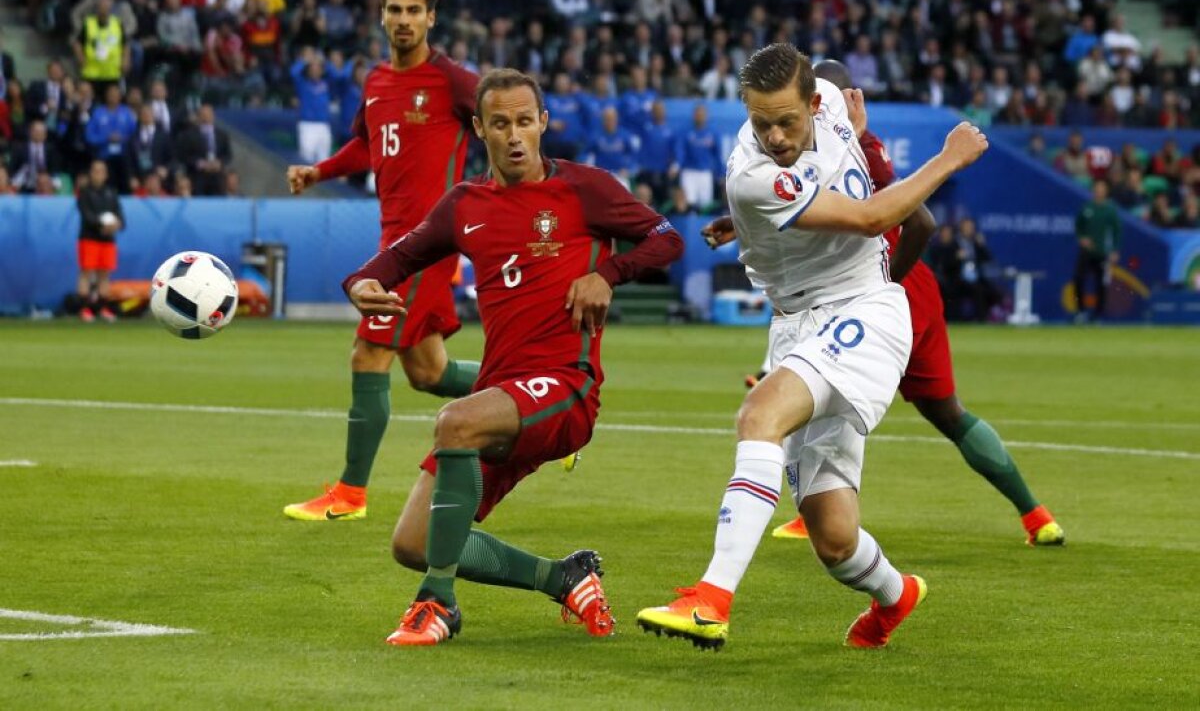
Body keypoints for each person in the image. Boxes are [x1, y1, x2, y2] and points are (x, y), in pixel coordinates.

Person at [636, 44, 988, 651]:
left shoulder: (831, 106)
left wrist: (928, 156)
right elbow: (867, 215)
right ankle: (896, 595)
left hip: (864, 312)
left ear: (812, 100)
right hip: (798, 326)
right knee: (833, 537)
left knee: (758, 416)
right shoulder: (751, 176)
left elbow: (883, 218)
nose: (774, 134)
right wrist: (949, 158)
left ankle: (711, 599)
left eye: (786, 120)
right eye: (760, 121)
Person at [343, 67, 684, 646]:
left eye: (526, 121)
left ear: (543, 122)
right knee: (413, 542)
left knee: (455, 421)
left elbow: (667, 238)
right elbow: (399, 256)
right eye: (500, 123)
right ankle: (564, 577)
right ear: (480, 128)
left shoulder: (584, 189)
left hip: (566, 386)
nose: (515, 135)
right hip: (503, 394)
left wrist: (608, 273)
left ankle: (436, 606)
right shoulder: (464, 205)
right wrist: (360, 282)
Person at [729, 60, 1062, 548]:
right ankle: (1035, 514)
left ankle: (817, 515)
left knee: (824, 398)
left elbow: (918, 222)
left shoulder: (858, 148)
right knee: (947, 413)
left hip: (882, 289)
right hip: (895, 290)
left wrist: (882, 286)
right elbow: (796, 207)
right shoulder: (820, 149)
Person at [284, 0, 482, 522]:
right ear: (381, 14)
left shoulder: (454, 82)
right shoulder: (376, 81)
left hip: (426, 243)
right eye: (395, 9)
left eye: (414, 11)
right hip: (394, 240)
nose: (403, 19)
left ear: (431, 18)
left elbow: (509, 127)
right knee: (429, 374)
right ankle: (538, 400)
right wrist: (317, 172)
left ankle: (350, 494)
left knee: (368, 352)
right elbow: (366, 144)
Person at [76, 159, 124, 323]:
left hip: (108, 240)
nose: (98, 174)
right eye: (95, 171)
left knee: (104, 274)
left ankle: (103, 307)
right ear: (91, 173)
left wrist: (116, 224)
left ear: (106, 174)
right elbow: (86, 215)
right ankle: (84, 308)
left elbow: (120, 216)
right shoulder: (85, 192)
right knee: (87, 273)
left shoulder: (111, 193)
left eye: (102, 171)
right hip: (89, 238)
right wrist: (101, 225)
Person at [1073, 179, 1121, 322]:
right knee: (1078, 279)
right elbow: (1078, 226)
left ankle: (1097, 315)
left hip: (1102, 253)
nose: (1099, 191)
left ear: (1106, 191)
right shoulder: (1087, 208)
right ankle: (1080, 311)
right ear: (1093, 190)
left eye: (1102, 188)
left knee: (1101, 284)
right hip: (1086, 252)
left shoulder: (1110, 210)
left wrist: (1114, 250)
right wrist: (1082, 238)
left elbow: (1116, 231)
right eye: (1097, 188)